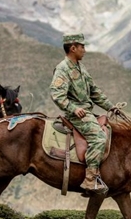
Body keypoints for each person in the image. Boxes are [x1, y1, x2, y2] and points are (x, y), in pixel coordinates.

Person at [50, 33, 119, 194]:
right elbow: (56, 94)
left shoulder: (80, 67)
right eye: (82, 47)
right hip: (78, 115)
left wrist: (110, 107)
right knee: (99, 138)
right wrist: (74, 108)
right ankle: (90, 179)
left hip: (87, 111)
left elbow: (94, 92)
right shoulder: (63, 69)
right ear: (73, 48)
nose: (85, 50)